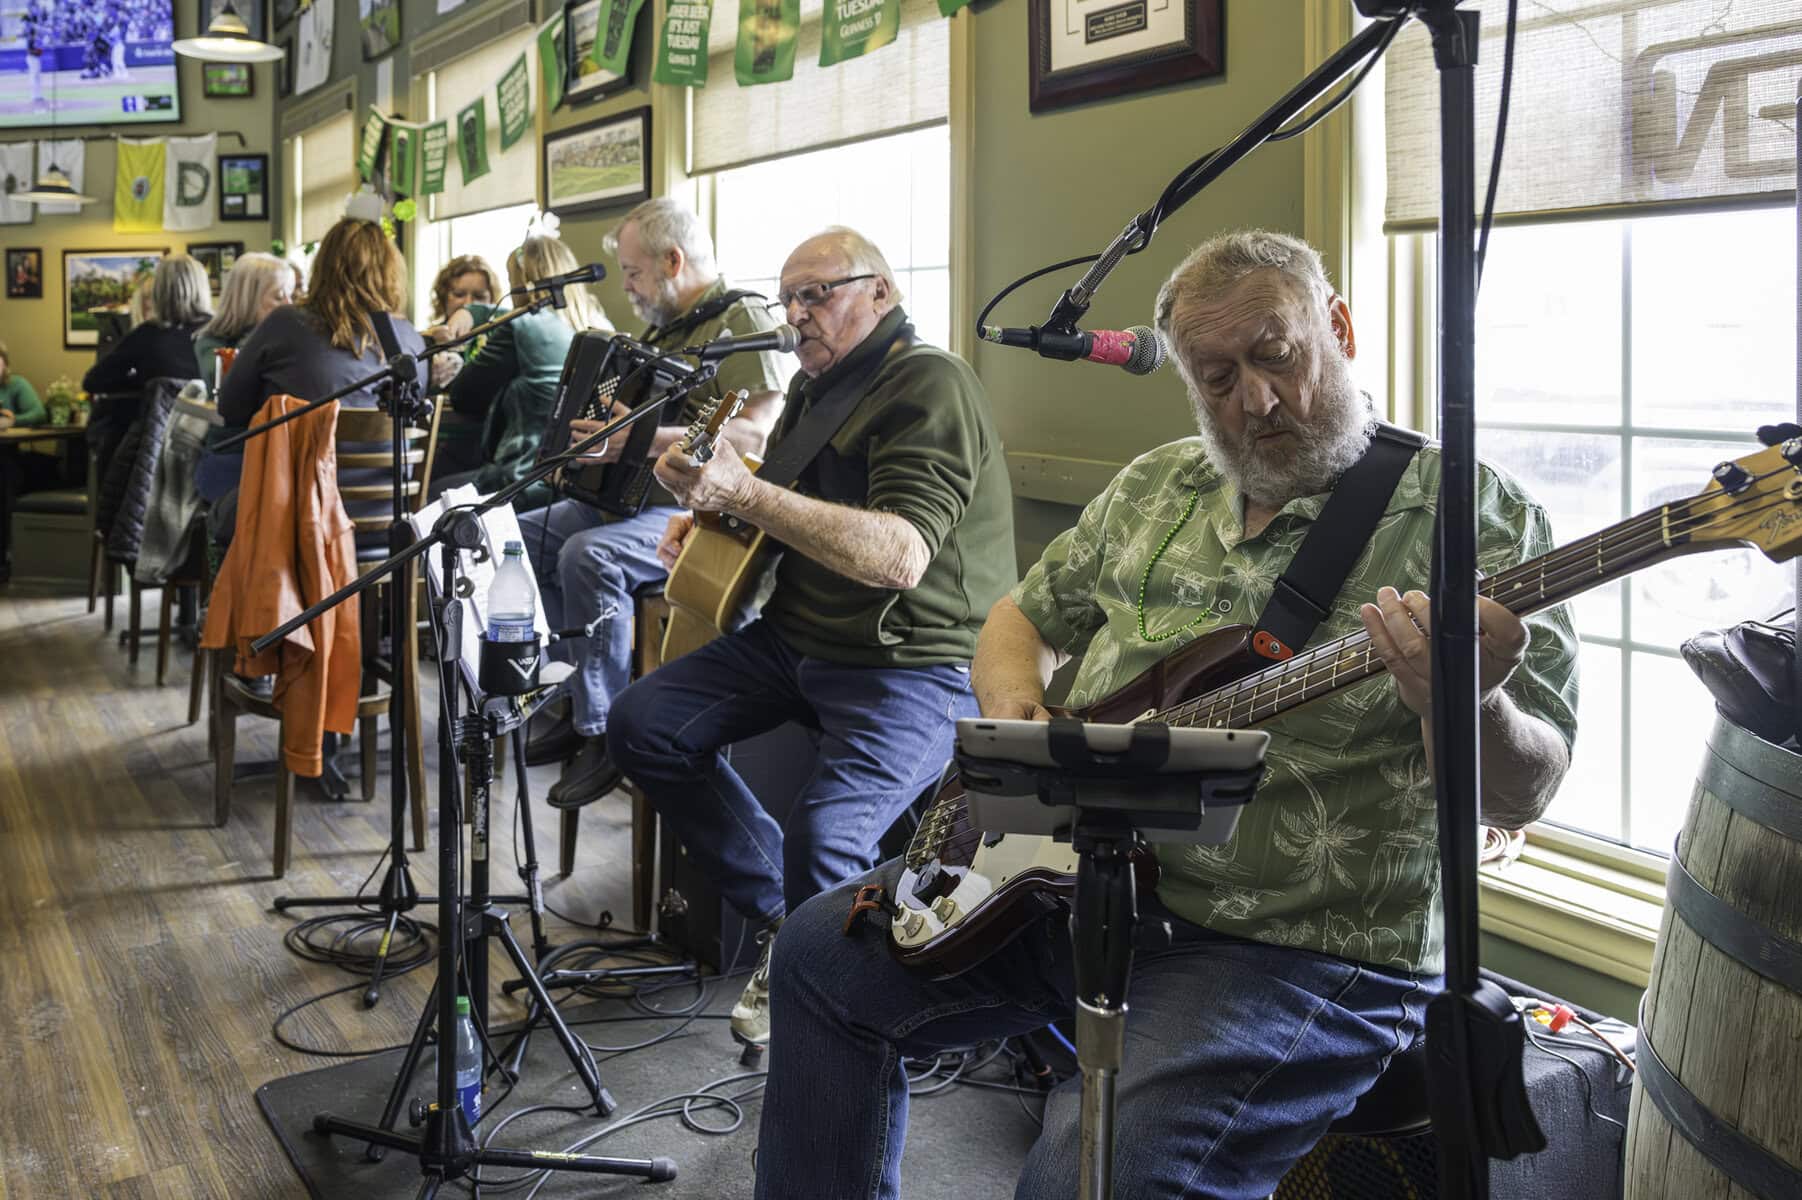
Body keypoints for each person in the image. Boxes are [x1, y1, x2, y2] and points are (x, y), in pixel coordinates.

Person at [747, 230, 1582, 1200]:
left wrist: (1467, 697)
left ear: (1339, 328)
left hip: (1293, 946)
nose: (1254, 401)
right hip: (1072, 872)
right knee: (815, 956)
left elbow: (1525, 788)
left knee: (1085, 1179)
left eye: (1275, 355)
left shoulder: (1472, 517)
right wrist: (1016, 719)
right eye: (1215, 376)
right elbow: (1018, 614)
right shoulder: (1159, 484)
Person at [603, 225, 1017, 1050]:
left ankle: (831, 1036)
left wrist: (746, 500)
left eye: (816, 294)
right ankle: (793, 930)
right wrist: (709, 511)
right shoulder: (811, 387)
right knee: (642, 724)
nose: (796, 313)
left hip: (916, 660)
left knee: (827, 834)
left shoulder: (927, 384)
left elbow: (898, 553)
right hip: (800, 639)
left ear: (881, 293)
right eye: (788, 297)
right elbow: (785, 503)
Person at [518, 196, 787, 808]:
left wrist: (633, 439)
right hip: (639, 498)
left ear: (672, 260)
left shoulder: (739, 320)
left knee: (589, 557)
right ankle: (575, 696)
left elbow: (753, 436)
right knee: (524, 540)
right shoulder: (663, 331)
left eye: (634, 273)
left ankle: (601, 731)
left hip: (706, 512)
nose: (627, 288)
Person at [211, 218, 427, 544]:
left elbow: (231, 408)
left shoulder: (285, 323)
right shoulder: (410, 339)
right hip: (389, 525)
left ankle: (243, 596)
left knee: (216, 511)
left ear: (323, 267)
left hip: (299, 523)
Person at [431, 236, 609, 504]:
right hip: (574, 478)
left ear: (520, 284)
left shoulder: (522, 326)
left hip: (523, 477)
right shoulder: (599, 327)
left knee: (434, 491)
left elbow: (464, 397)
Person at [83, 254, 211, 472]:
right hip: (211, 442)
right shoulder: (222, 333)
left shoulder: (148, 334)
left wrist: (145, 383)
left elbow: (93, 381)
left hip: (158, 449)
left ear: (160, 292)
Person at [191, 252, 295, 506]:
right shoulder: (210, 342)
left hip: (280, 454)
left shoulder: (289, 341)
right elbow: (224, 389)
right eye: (279, 296)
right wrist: (263, 334)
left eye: (291, 295)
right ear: (249, 300)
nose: (289, 304)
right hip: (234, 455)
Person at [423, 254, 504, 466]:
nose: (467, 303)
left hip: (481, 446)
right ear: (444, 296)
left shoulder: (500, 342)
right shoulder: (427, 337)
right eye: (459, 294)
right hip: (431, 443)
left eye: (479, 297)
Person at [0, 342, 53, 582]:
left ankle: (3, 559)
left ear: (5, 363)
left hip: (8, 457)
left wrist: (13, 421)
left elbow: (38, 414)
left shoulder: (15, 386)